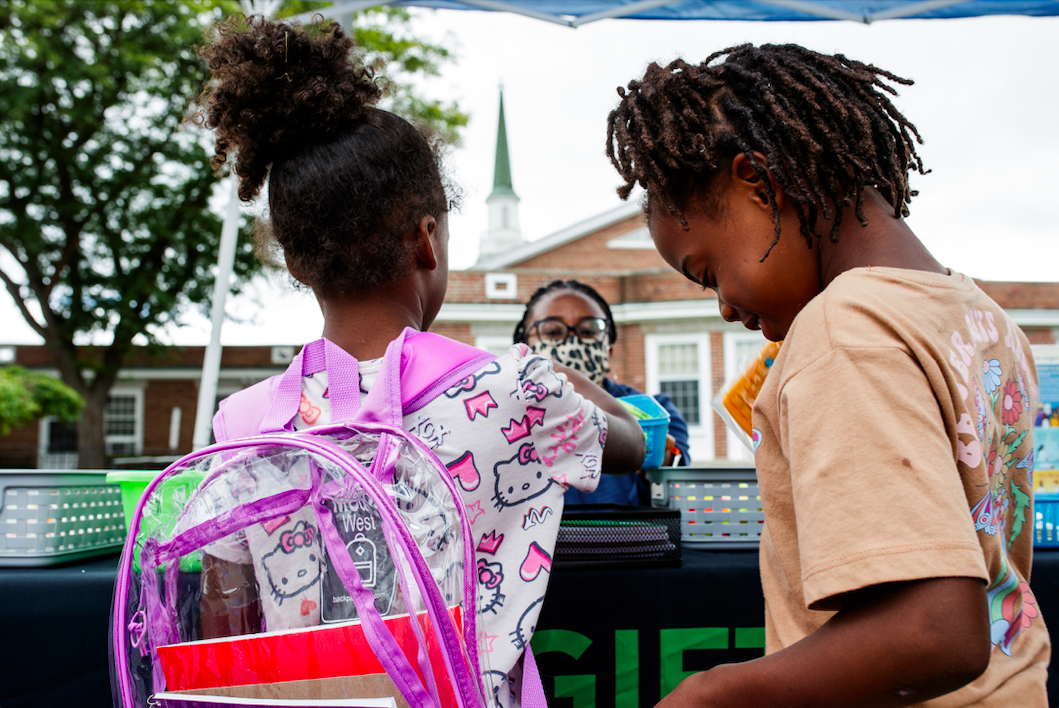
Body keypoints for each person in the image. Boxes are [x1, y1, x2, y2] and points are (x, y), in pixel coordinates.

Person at [192, 14, 645, 708]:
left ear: (295, 260)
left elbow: (224, 627)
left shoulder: (242, 423)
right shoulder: (512, 389)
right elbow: (633, 444)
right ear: (425, 240)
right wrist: (558, 373)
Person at [606, 44, 1049, 706]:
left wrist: (713, 693)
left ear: (756, 180)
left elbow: (933, 631)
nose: (723, 305)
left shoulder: (842, 329)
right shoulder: (979, 318)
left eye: (706, 272)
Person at [513, 279, 691, 506]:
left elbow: (680, 476)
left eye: (589, 330)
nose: (572, 342)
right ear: (523, 346)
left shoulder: (656, 413)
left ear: (609, 351)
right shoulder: (507, 414)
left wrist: (662, 464)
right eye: (553, 331)